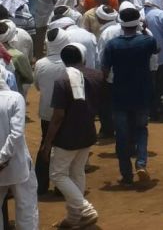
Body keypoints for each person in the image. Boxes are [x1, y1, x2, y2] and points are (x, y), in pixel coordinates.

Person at [40, 43, 103, 229]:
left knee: (57, 174)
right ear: (82, 58)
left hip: (68, 135)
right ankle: (75, 217)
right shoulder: (97, 75)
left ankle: (85, 209)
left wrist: (48, 142)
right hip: (88, 130)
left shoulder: (62, 81)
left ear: (63, 60)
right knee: (77, 171)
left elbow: (58, 115)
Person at [101, 6, 157, 185]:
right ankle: (141, 163)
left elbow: (104, 70)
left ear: (121, 24)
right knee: (141, 129)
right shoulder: (147, 41)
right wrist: (144, 27)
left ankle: (126, 174)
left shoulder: (112, 45)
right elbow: (155, 49)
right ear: (138, 23)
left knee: (122, 135)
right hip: (142, 92)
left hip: (120, 94)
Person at [0, 62, 38, 230]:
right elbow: (16, 134)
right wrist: (2, 157)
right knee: (26, 205)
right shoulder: (15, 98)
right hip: (17, 163)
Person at [33, 27, 71, 195]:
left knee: (45, 143)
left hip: (47, 112)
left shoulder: (40, 63)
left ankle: (41, 185)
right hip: (67, 113)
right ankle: (61, 187)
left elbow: (37, 86)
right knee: (64, 148)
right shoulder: (69, 64)